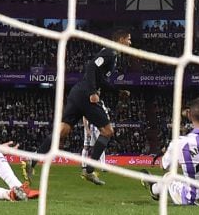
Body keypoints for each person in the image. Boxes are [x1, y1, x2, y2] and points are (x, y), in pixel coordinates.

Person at [27, 28, 132, 185]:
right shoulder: (110, 52)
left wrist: (117, 92)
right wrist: (92, 92)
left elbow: (101, 79)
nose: (130, 42)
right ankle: (89, 170)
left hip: (77, 93)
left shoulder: (113, 56)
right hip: (85, 95)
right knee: (107, 131)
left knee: (62, 130)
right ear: (121, 39)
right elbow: (90, 67)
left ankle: (32, 160)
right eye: (129, 39)